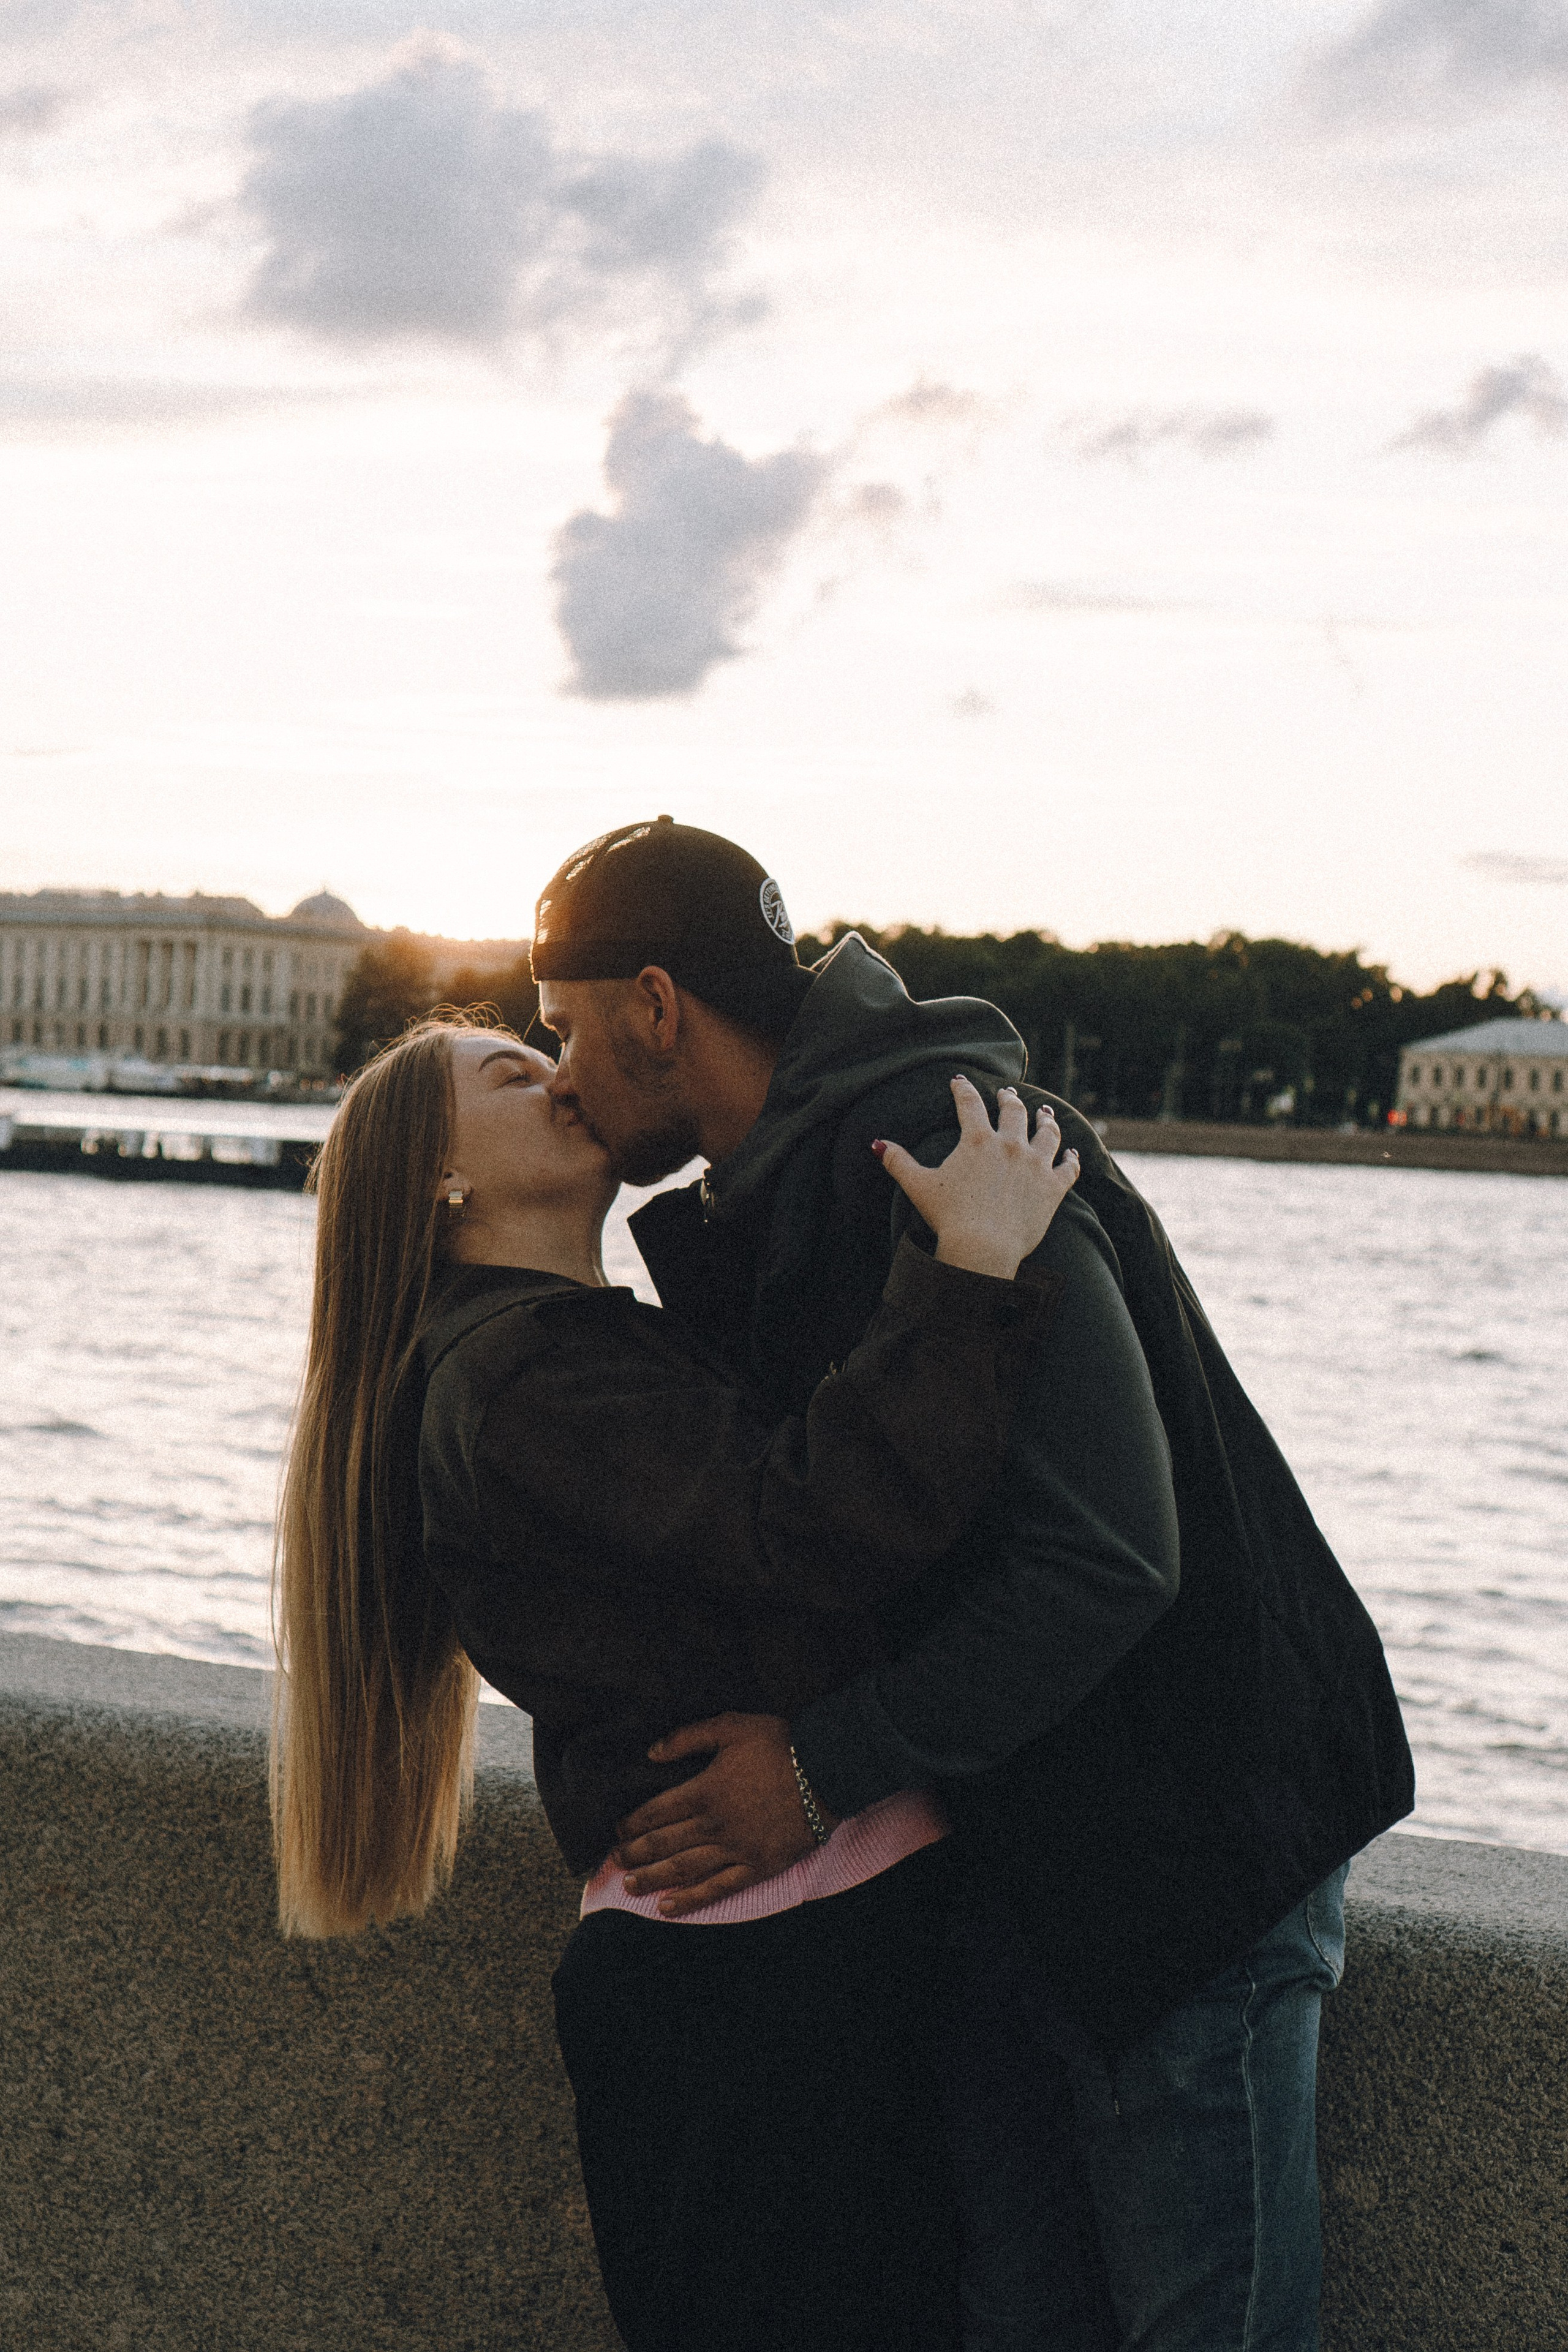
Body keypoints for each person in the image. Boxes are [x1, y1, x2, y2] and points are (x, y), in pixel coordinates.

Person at [532, 817, 1417, 2352]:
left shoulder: (945, 1147)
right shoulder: (807, 1177)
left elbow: (1104, 1560)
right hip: (1032, 1847)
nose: (556, 1075)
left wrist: (815, 1771)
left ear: (655, 1008)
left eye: (560, 1028)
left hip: (1183, 1845)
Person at [270, 1011, 1084, 2352]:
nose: (560, 1075)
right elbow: (818, 1522)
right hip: (763, 1978)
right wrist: (975, 1261)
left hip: (747, 1966)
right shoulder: (526, 1371)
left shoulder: (534, 1350)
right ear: (440, 1179)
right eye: (512, 1075)